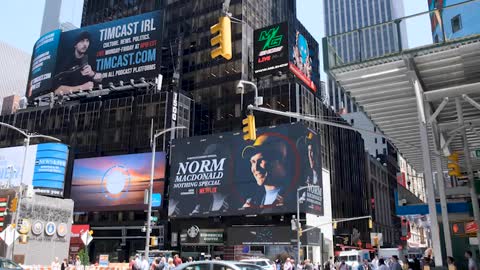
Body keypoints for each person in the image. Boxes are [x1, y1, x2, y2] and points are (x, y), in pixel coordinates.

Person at [241, 134, 292, 208]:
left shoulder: (295, 195)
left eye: (261, 160)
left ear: (279, 161)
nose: (256, 168)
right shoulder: (254, 201)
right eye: (253, 162)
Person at [54, 31, 102, 95]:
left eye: (87, 41)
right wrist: (82, 87)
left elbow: (101, 78)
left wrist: (92, 73)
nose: (85, 44)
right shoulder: (66, 62)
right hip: (69, 101)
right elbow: (57, 91)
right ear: (75, 44)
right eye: (82, 41)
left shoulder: (91, 58)